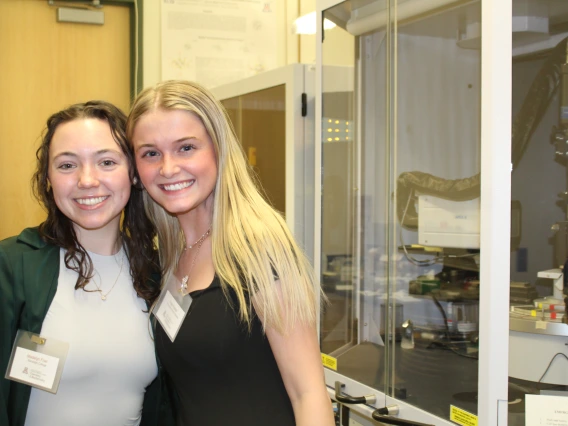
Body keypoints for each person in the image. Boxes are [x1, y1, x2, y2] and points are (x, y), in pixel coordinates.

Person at [127, 80, 334, 426]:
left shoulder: (258, 247)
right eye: (151, 153)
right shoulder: (168, 254)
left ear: (218, 149)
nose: (168, 168)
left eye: (186, 148)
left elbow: (308, 393)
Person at [0, 101, 164, 426]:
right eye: (66, 165)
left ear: (132, 173)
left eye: (106, 162)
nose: (87, 180)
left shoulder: (159, 273)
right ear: (47, 177)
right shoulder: (12, 265)